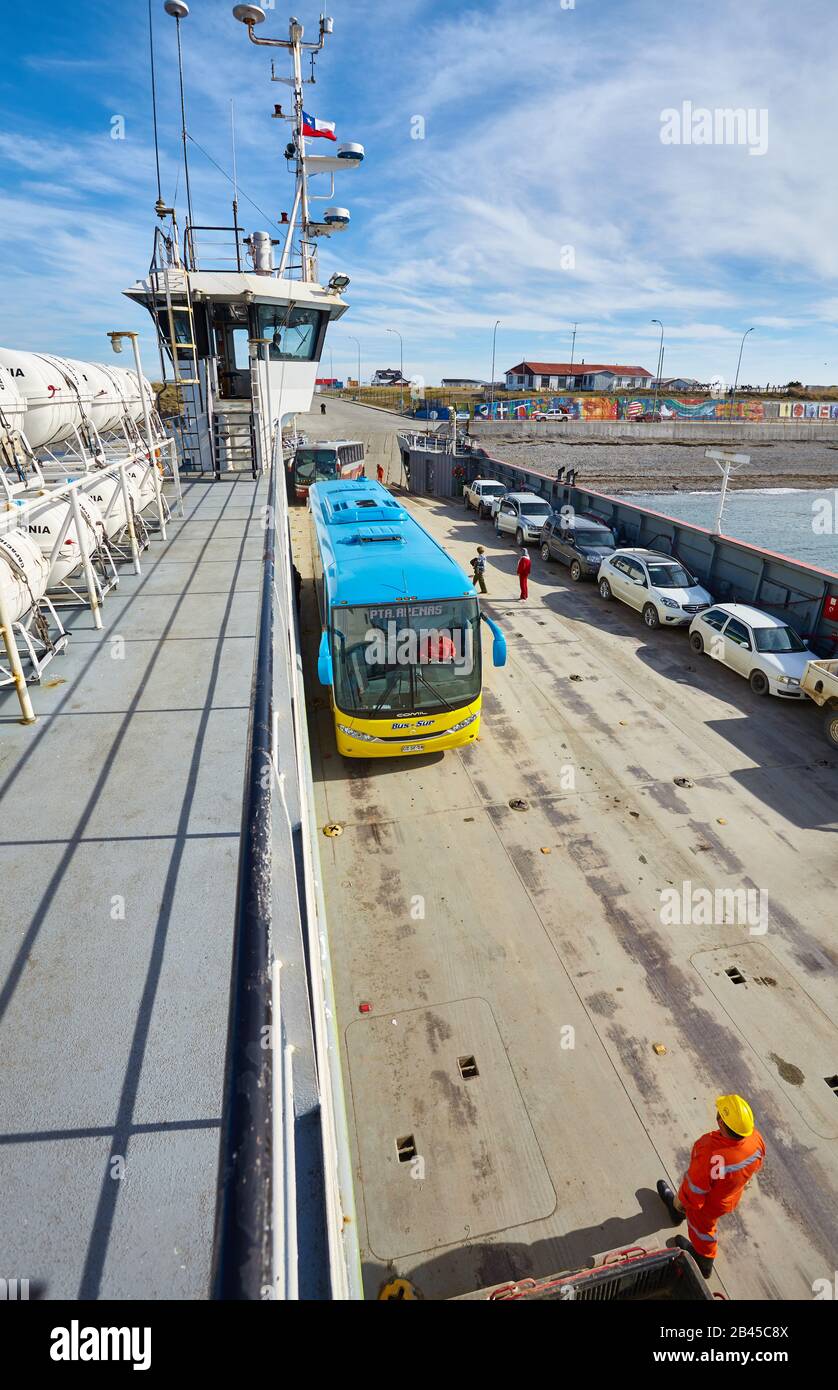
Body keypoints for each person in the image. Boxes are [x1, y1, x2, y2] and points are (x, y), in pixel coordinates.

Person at [657, 1094, 765, 1278]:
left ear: (721, 1122)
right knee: (700, 1221)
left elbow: (695, 1188)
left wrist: (685, 1204)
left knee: (702, 1231)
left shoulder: (711, 1152)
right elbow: (755, 1164)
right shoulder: (755, 1139)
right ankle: (677, 1214)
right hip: (729, 1194)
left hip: (709, 1204)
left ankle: (703, 1262)